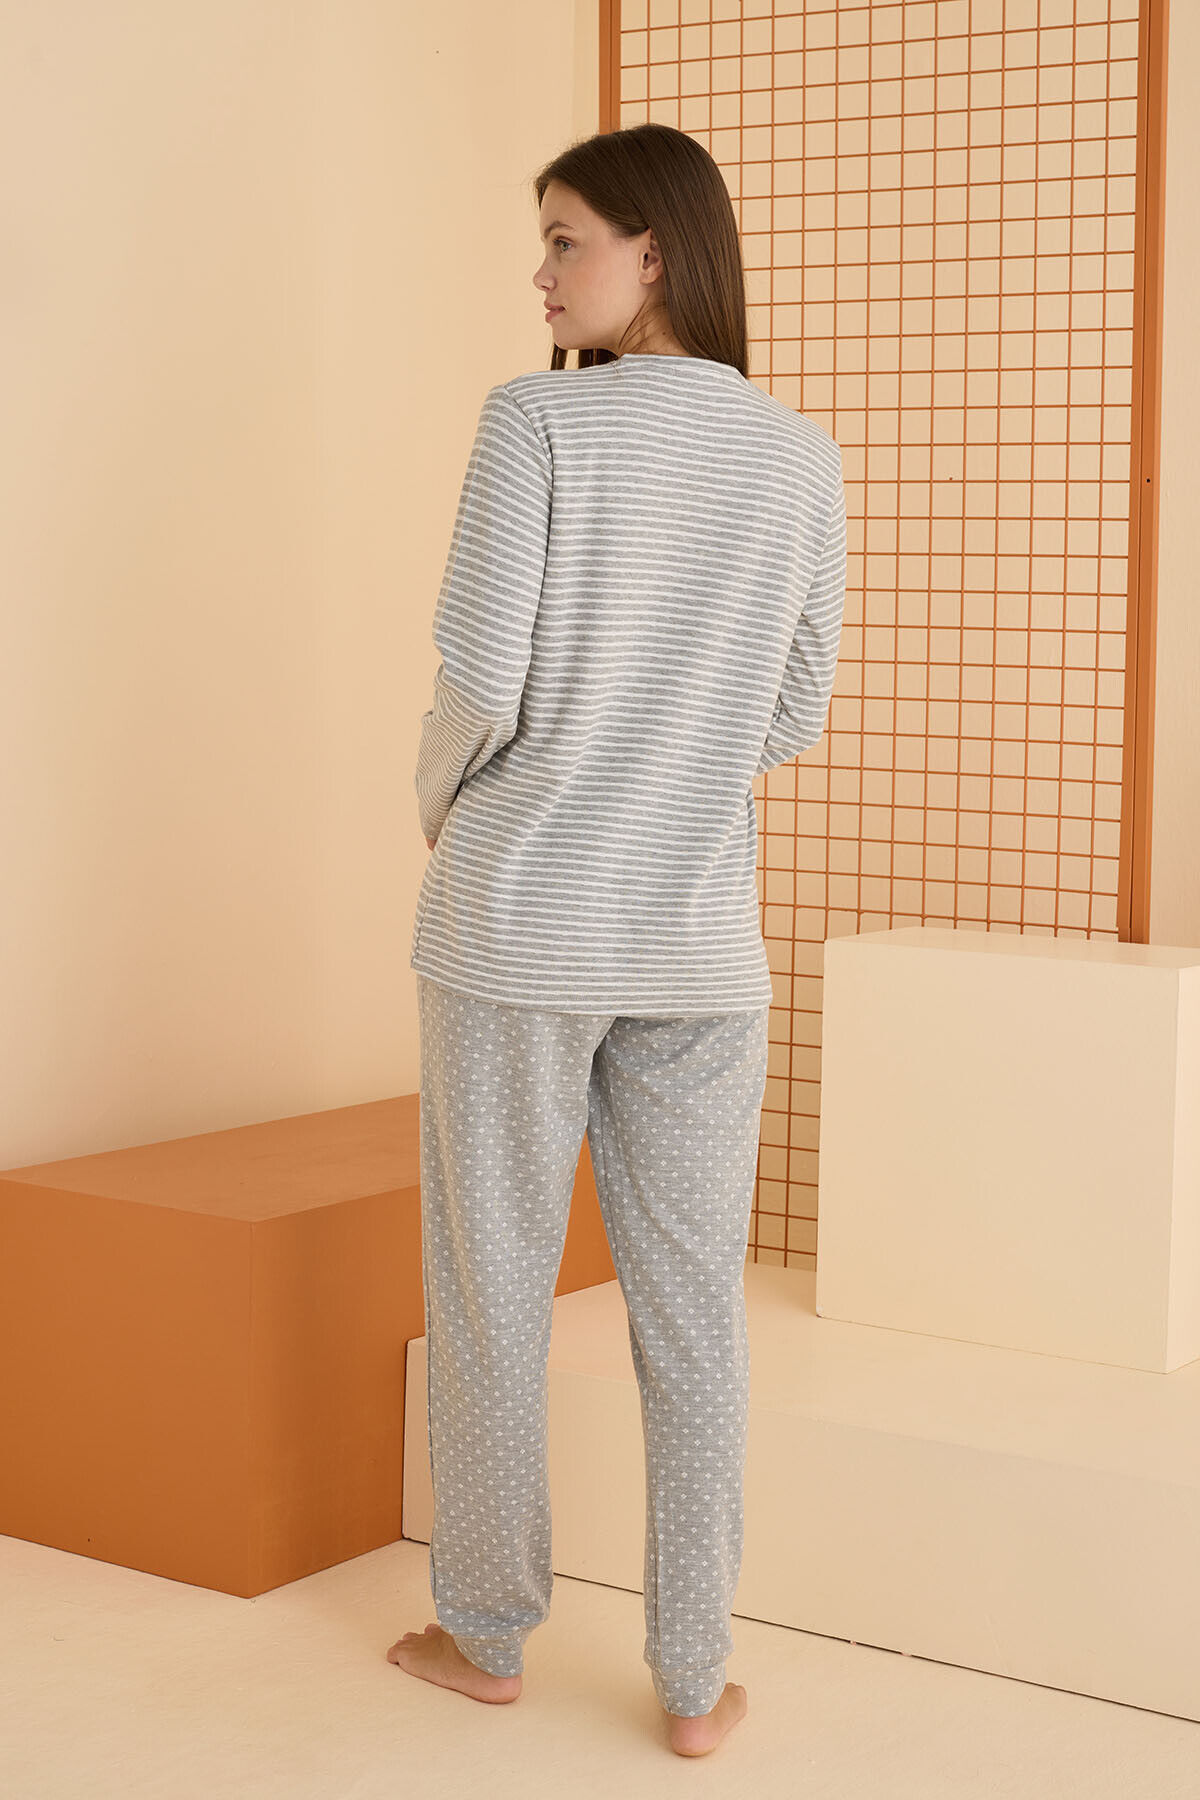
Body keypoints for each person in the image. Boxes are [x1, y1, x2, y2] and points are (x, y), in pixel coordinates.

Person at [387, 122, 847, 1759]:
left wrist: (441, 807)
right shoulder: (799, 459)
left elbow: (480, 684)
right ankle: (693, 1677)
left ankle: (486, 1633)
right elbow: (794, 707)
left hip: (516, 925)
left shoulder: (537, 424)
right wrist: (677, 768)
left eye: (565, 239)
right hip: (697, 944)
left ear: (655, 251)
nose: (541, 272)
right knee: (694, 1312)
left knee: (493, 1291)